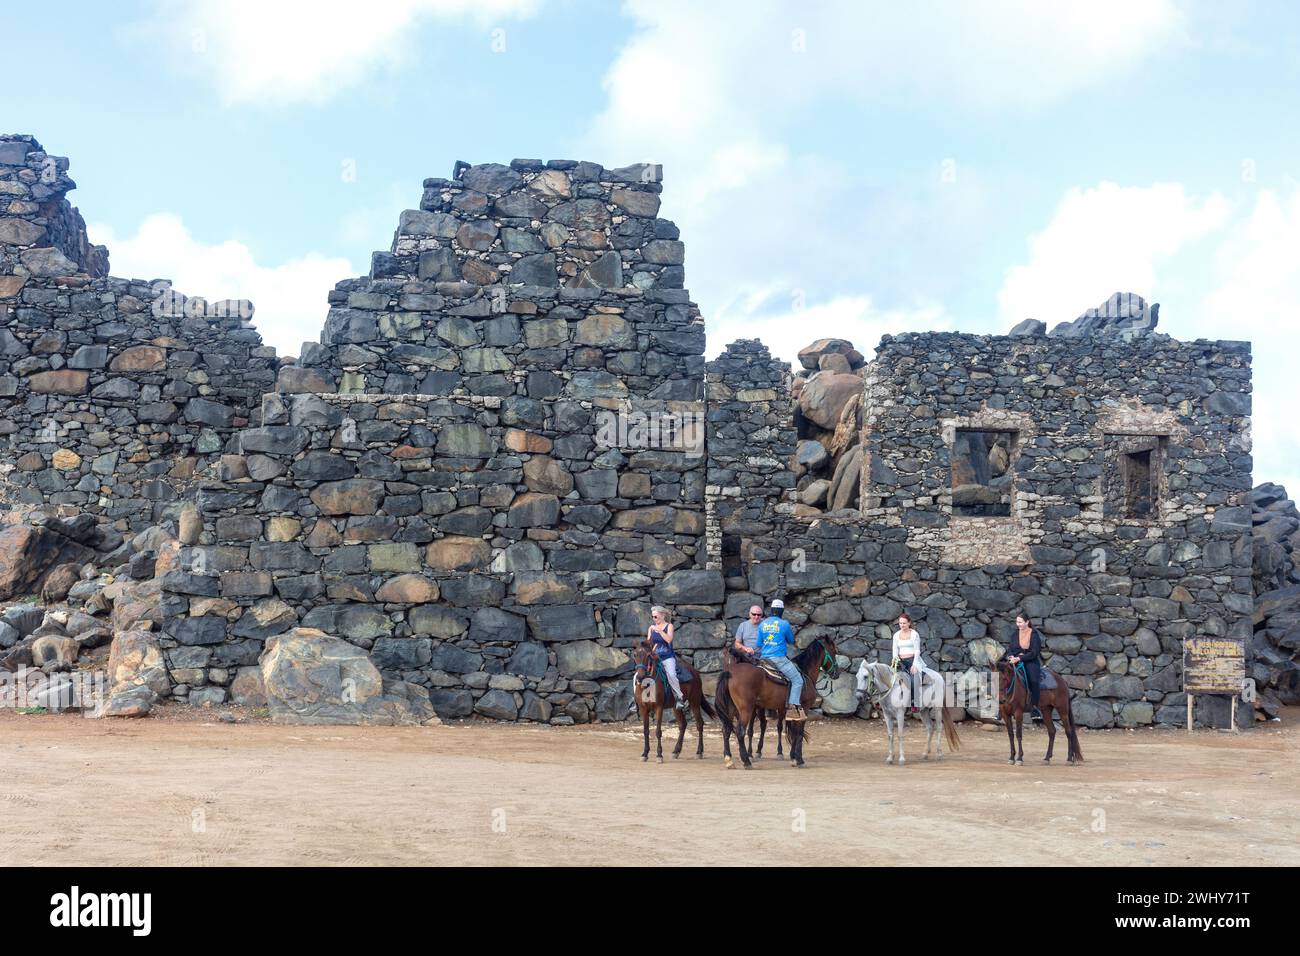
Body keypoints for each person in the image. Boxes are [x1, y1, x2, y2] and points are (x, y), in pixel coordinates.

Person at [758, 599, 806, 721]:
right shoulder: (784, 624)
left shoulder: (763, 624)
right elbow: (790, 640)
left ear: (772, 610)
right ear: (782, 611)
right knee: (797, 680)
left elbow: (759, 643)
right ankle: (792, 710)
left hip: (763, 659)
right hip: (778, 659)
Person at [1004, 610, 1043, 721]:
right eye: (1017, 622)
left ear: (1027, 622)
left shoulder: (1034, 634)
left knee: (1034, 680)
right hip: (1015, 660)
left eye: (1020, 622)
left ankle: (1035, 707)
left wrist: (1020, 658)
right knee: (1002, 676)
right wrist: (1011, 656)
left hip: (1030, 661)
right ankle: (1000, 707)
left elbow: (1034, 652)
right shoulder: (1015, 634)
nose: (1018, 624)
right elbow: (1010, 648)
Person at [646, 605, 687, 710]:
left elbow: (669, 640)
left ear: (662, 615)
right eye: (653, 617)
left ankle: (679, 697)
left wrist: (659, 631)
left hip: (667, 656)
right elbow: (649, 644)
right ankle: (636, 701)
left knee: (672, 675)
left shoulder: (669, 626)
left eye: (656, 617)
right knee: (639, 674)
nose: (654, 619)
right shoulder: (651, 628)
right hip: (655, 657)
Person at [891, 611, 926, 713]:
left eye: (904, 623)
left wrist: (915, 665)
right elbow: (895, 650)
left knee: (913, 680)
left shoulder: (914, 634)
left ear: (909, 623)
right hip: (900, 661)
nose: (902, 625)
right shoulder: (896, 635)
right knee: (888, 679)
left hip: (912, 660)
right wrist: (895, 660)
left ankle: (914, 703)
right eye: (900, 623)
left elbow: (917, 650)